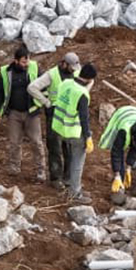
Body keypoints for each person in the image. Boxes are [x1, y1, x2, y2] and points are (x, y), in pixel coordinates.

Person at [0, 44, 46, 182]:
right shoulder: (6, 72)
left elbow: (45, 85)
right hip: (14, 114)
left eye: (27, 60)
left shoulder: (34, 68)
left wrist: (45, 103)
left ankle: (41, 171)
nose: (26, 64)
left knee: (36, 142)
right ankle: (14, 167)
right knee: (14, 142)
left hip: (32, 113)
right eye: (23, 62)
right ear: (16, 61)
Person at [28, 52, 80, 187]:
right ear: (64, 63)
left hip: (69, 116)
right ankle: (56, 178)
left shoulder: (76, 73)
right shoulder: (52, 74)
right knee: (55, 147)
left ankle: (68, 177)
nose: (73, 70)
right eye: (71, 67)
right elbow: (32, 87)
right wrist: (46, 102)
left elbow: (88, 81)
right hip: (55, 115)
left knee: (68, 147)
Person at [51, 62, 95, 203]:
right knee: (77, 161)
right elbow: (84, 117)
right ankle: (75, 193)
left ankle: (71, 185)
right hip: (73, 131)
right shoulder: (82, 94)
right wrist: (88, 136)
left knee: (68, 155)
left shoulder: (66, 83)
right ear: (90, 79)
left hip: (59, 127)